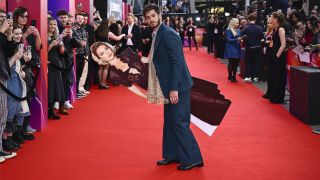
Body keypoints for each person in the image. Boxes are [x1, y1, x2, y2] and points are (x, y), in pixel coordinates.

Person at [143, 4, 203, 170]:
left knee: (179, 122)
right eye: (147, 17)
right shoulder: (155, 33)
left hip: (178, 86)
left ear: (160, 15)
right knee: (169, 121)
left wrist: (174, 88)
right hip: (167, 85)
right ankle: (172, 155)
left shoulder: (168, 34)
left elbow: (178, 63)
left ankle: (193, 158)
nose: (150, 20)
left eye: (153, 16)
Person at [0, 9, 17, 163]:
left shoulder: (3, 34)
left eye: (4, 18)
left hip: (3, 76)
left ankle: (0, 148)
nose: (2, 20)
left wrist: (9, 35)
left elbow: (8, 52)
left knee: (3, 114)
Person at [265, 12, 287, 104]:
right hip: (273, 56)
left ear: (276, 19)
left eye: (272, 17)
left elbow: (283, 44)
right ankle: (274, 95)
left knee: (278, 77)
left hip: (278, 57)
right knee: (274, 77)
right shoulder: (275, 29)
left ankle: (278, 97)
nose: (271, 19)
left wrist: (277, 56)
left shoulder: (281, 29)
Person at [47, 18, 66, 119]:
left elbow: (62, 52)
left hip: (57, 64)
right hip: (49, 64)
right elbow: (41, 52)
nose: (53, 26)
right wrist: (51, 45)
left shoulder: (56, 36)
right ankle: (50, 111)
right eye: (50, 24)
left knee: (57, 88)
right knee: (51, 88)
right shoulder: (44, 36)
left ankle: (53, 110)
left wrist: (61, 45)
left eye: (54, 24)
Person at [242, 14, 264, 82]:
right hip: (258, 47)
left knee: (249, 62)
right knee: (257, 62)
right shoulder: (259, 28)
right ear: (255, 19)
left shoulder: (246, 28)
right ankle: (256, 77)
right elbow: (262, 38)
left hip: (249, 47)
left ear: (248, 20)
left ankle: (248, 76)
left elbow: (242, 37)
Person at [224, 18, 242, 82]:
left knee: (236, 63)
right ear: (233, 23)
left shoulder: (238, 30)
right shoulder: (228, 30)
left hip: (237, 47)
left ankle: (234, 77)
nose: (238, 24)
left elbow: (239, 38)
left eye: (238, 23)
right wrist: (237, 39)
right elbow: (228, 40)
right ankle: (230, 76)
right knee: (231, 62)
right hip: (231, 48)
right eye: (237, 23)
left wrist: (241, 40)